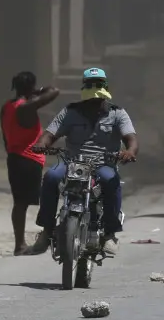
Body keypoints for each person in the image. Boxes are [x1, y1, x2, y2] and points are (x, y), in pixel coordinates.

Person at [27, 68, 137, 256]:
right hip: (72, 162)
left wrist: (129, 152)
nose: (94, 100)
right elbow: (50, 134)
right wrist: (41, 144)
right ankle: (46, 231)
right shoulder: (70, 111)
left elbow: (131, 138)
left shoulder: (118, 113)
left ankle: (110, 234)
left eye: (98, 91)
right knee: (52, 177)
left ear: (106, 90)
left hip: (103, 163)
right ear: (84, 89)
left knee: (111, 181)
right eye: (91, 90)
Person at [0, 71, 59, 255]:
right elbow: (54, 91)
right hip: (29, 159)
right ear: (31, 87)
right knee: (46, 196)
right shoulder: (26, 107)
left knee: (20, 203)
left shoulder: (6, 107)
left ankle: (19, 244)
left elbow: (5, 135)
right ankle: (48, 234)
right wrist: (38, 90)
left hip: (13, 157)